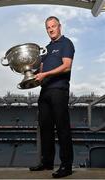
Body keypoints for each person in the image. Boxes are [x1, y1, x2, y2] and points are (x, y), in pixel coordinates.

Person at [29, 16, 75, 178]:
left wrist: (46, 74)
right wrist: (26, 70)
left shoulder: (66, 43)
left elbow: (67, 66)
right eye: (48, 27)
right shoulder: (46, 48)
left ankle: (66, 165)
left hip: (59, 90)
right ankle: (47, 162)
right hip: (45, 91)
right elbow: (39, 70)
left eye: (53, 26)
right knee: (45, 128)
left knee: (62, 128)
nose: (50, 29)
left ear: (59, 26)